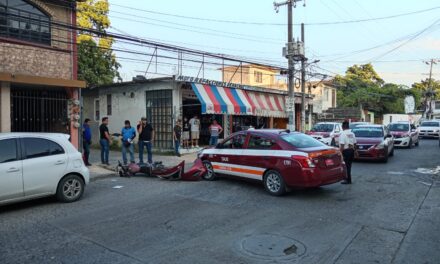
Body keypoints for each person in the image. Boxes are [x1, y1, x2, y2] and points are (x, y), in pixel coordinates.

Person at [339, 120, 358, 184]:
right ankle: (348, 179)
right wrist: (355, 151)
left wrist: (340, 153)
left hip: (346, 151)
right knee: (349, 166)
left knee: (346, 166)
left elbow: (342, 145)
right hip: (351, 151)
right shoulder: (352, 134)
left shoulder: (343, 134)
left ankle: (348, 180)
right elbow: (355, 143)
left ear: (342, 127)